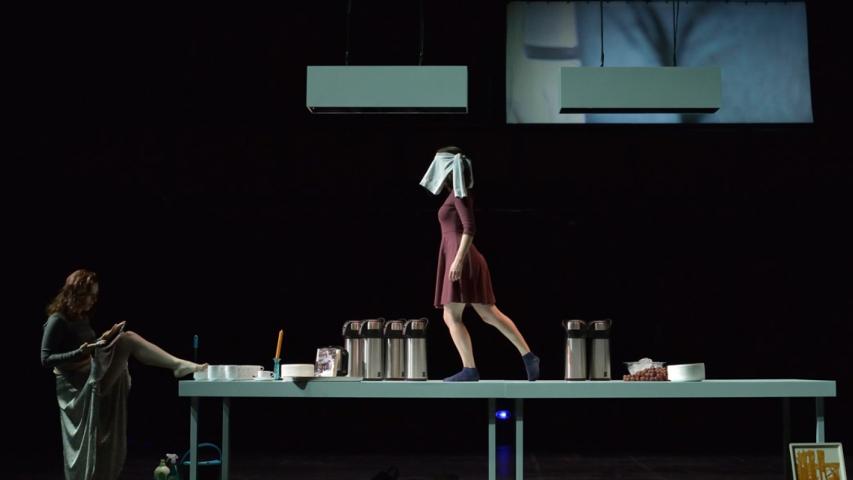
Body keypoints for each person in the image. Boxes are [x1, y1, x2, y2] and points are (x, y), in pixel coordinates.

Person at [40, 269, 207, 480]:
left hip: (91, 376)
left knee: (127, 337)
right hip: (77, 387)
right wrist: (80, 351)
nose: (93, 300)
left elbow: (86, 347)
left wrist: (102, 340)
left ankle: (178, 365)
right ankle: (178, 365)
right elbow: (45, 359)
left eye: (95, 295)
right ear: (76, 293)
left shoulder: (81, 317)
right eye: (90, 295)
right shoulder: (57, 320)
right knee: (128, 340)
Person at [419, 146, 540, 382]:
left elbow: (469, 228)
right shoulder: (457, 193)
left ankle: (470, 369)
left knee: (452, 315)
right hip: (460, 256)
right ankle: (528, 356)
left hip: (461, 257)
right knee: (488, 314)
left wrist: (458, 260)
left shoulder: (460, 194)